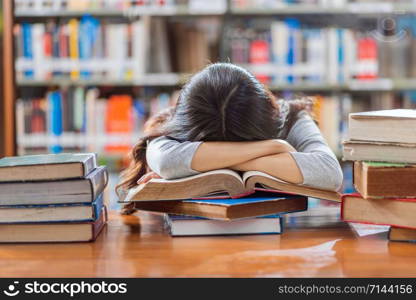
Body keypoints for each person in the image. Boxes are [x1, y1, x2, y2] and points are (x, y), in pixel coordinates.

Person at [117, 63, 343, 202]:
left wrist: (203, 165)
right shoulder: (174, 123)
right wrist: (274, 148)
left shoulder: (289, 117)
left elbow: (330, 173)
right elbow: (167, 161)